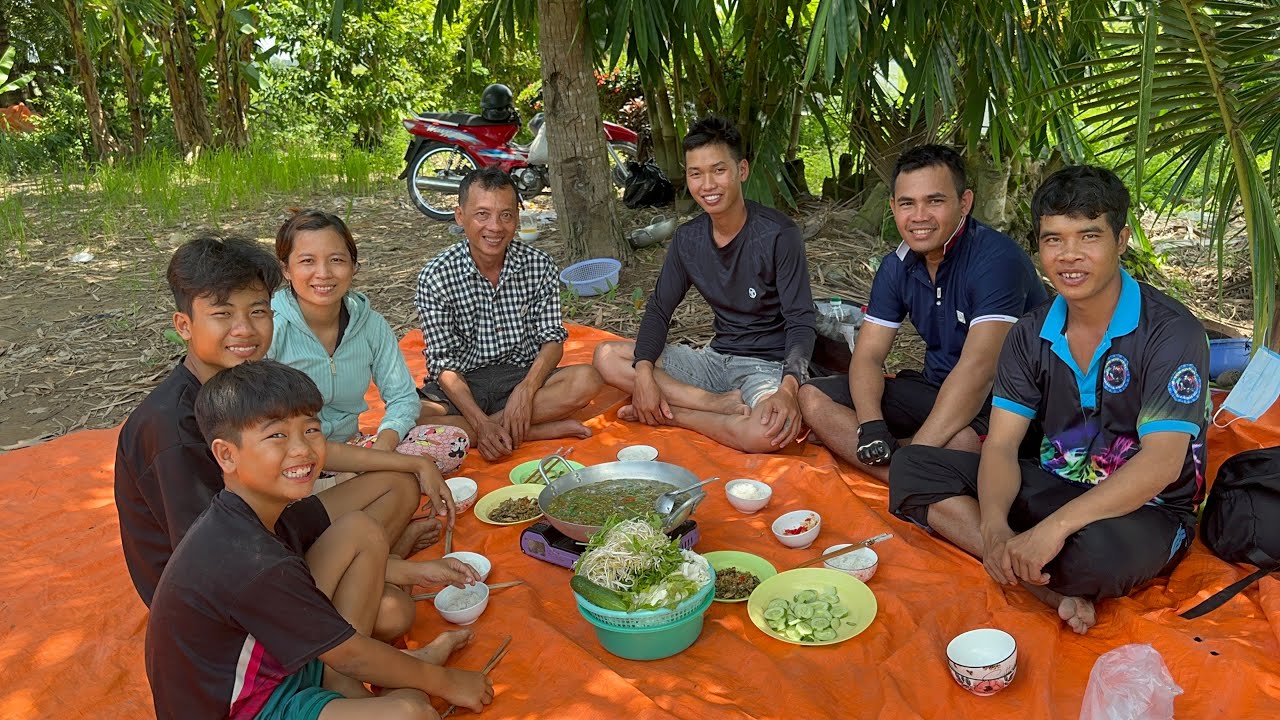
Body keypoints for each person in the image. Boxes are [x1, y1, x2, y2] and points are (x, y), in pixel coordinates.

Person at [889, 166, 1208, 635]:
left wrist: (1052, 530)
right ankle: (1039, 580)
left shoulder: (1171, 333)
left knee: (1096, 558)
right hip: (1055, 483)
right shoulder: (1029, 331)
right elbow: (999, 446)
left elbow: (1161, 465)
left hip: (1145, 508)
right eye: (1054, 239)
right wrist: (996, 526)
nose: (1070, 256)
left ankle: (1027, 560)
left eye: (1088, 236)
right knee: (912, 466)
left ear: (1121, 241)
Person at [114, 235, 455, 613]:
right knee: (393, 612)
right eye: (223, 314)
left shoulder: (248, 384)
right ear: (184, 325)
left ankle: (367, 567)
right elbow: (211, 560)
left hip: (271, 527)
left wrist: (413, 461)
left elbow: (310, 447)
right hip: (224, 590)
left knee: (396, 484)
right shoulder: (172, 430)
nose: (244, 329)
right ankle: (366, 576)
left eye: (258, 311)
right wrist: (399, 572)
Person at [147, 360, 493, 719]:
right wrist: (447, 683)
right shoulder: (250, 560)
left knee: (358, 528)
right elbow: (351, 653)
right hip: (247, 708)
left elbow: (340, 559)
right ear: (226, 455)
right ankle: (394, 679)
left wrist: (414, 573)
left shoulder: (254, 512)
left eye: (311, 430)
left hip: (278, 667)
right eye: (276, 435)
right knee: (413, 712)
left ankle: (347, 687)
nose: (302, 449)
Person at [797, 144, 1046, 481]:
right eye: (907, 203)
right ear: (892, 208)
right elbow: (869, 355)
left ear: (965, 202)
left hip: (1005, 406)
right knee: (812, 397)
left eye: (935, 201)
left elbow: (978, 372)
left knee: (961, 442)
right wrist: (870, 427)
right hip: (934, 391)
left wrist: (913, 453)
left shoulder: (995, 261)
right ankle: (907, 472)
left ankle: (900, 469)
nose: (919, 216)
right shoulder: (897, 266)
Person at [593, 116, 816, 453]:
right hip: (714, 362)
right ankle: (715, 406)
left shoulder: (778, 235)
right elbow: (658, 309)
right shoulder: (689, 238)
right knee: (606, 354)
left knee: (766, 433)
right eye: (696, 174)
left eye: (718, 170)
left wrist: (788, 390)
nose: (707, 184)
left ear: (741, 170)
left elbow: (801, 320)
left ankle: (675, 414)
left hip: (766, 367)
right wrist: (643, 375)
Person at [269, 209, 470, 488]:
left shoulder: (370, 325)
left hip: (354, 448)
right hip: (295, 456)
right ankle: (358, 485)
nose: (323, 274)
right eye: (307, 261)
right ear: (286, 270)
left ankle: (353, 483)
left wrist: (381, 452)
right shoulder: (271, 327)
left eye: (337, 260)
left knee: (453, 440)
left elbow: (402, 398)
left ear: (354, 267)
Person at [414, 167, 603, 461]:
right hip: (464, 385)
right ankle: (526, 430)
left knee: (587, 379)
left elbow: (552, 339)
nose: (495, 227)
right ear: (460, 216)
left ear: (517, 216)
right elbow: (443, 365)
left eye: (506, 215)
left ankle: (496, 428)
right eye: (482, 214)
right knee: (410, 416)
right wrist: (480, 421)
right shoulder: (436, 276)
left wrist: (526, 391)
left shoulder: (539, 265)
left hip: (521, 376)